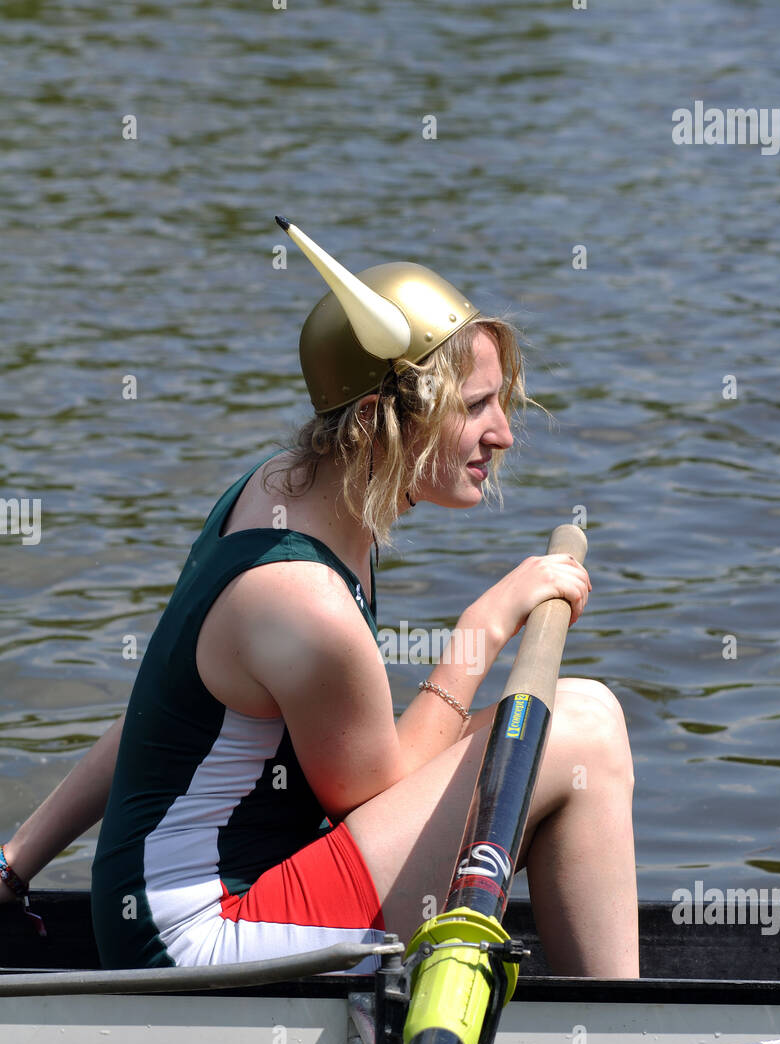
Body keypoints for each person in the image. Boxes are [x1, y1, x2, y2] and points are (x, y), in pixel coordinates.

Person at [0, 222, 639, 977]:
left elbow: (153, 716)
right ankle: (611, 1027)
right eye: (474, 407)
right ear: (376, 421)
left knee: (554, 743)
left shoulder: (278, 486)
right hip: (199, 944)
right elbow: (371, 793)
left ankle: (589, 1013)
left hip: (180, 901)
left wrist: (14, 862)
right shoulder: (304, 601)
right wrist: (483, 628)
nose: (501, 432)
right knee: (584, 732)